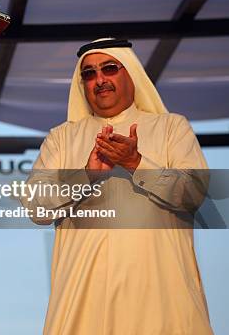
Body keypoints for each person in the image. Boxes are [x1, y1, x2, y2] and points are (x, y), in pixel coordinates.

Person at [24, 38, 213, 334]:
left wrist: (137, 162)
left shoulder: (171, 128)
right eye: (89, 73)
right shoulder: (62, 138)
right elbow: (35, 206)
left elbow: (193, 192)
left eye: (109, 68)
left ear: (131, 74)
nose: (99, 80)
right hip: (85, 296)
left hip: (160, 294)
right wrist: (84, 176)